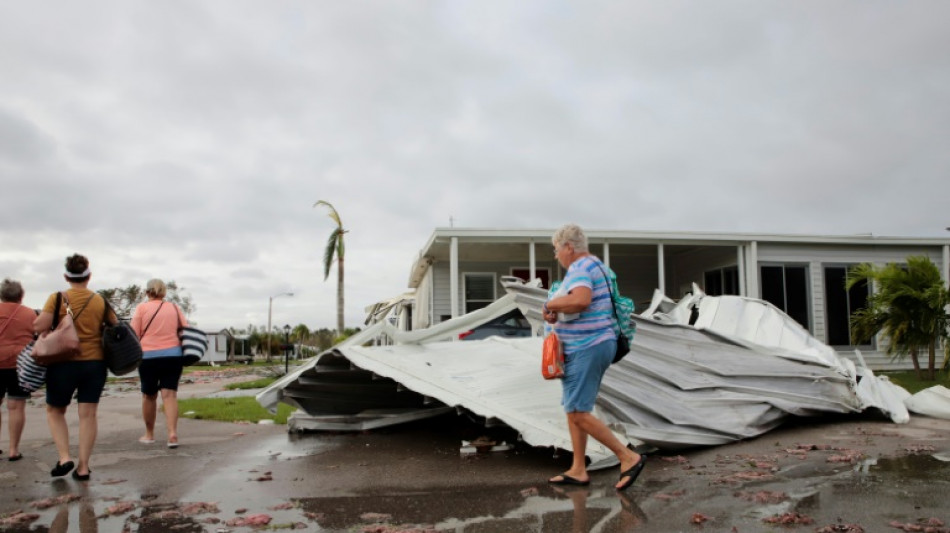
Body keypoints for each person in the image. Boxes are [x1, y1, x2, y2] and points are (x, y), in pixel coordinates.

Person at [543, 223, 647, 491]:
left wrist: (550, 304)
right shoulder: (596, 266)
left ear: (568, 247)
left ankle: (628, 457)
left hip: (587, 345)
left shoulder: (580, 267)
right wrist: (557, 312)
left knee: (578, 411)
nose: (556, 255)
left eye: (556, 249)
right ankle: (578, 469)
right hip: (590, 344)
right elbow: (581, 304)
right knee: (574, 409)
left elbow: (580, 300)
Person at [33, 254, 116, 480]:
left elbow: (39, 325)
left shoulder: (57, 298)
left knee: (55, 411)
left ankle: (64, 457)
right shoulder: (100, 300)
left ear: (66, 276)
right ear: (89, 276)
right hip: (95, 363)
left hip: (63, 363)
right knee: (88, 415)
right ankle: (83, 467)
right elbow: (115, 324)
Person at [131, 278, 189, 449]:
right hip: (173, 356)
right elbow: (185, 329)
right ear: (164, 292)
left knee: (149, 396)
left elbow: (134, 334)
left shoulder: (141, 308)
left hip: (147, 357)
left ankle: (149, 434)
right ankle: (172, 434)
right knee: (169, 395)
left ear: (147, 292)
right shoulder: (174, 307)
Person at [1, 278, 36, 462]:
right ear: (21, 296)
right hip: (20, 364)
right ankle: (13, 450)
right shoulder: (29, 314)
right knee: (16, 406)